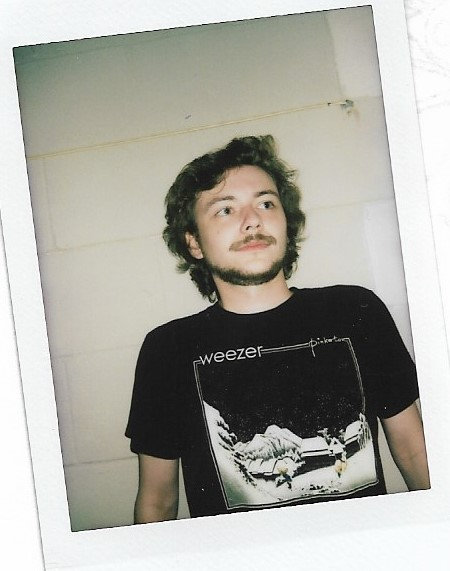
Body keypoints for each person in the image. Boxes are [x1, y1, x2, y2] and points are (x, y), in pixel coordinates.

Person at [125, 135, 429, 523]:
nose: (253, 220)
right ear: (194, 243)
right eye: (225, 210)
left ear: (286, 222)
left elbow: (414, 450)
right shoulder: (167, 349)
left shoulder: (357, 310)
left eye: (266, 203)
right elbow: (157, 502)